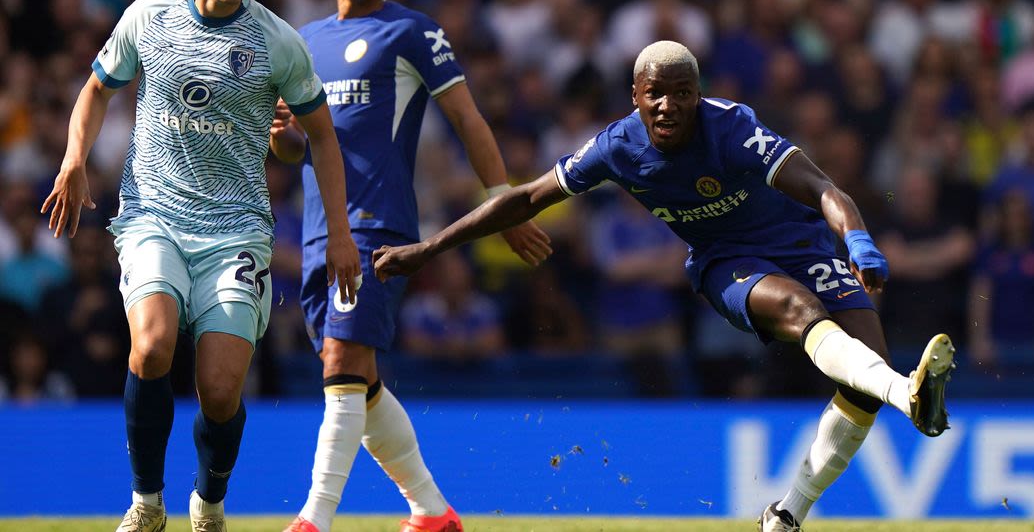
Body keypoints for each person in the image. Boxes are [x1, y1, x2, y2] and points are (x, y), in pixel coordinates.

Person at [373, 40, 956, 532]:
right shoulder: (616, 147)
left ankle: (786, 515)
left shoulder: (732, 128)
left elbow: (823, 186)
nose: (669, 104)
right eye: (656, 92)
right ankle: (908, 395)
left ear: (697, 93)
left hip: (802, 246)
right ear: (636, 95)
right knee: (802, 314)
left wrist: (856, 238)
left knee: (862, 381)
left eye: (682, 92)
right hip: (726, 263)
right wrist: (429, 248)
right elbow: (526, 197)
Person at [39, 0, 361, 530]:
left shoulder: (278, 43)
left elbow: (318, 138)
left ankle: (208, 501)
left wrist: (340, 232)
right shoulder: (148, 18)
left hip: (237, 229)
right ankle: (145, 501)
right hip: (152, 215)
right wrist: (74, 158)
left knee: (219, 391)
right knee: (153, 346)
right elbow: (97, 89)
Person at [268, 0, 548, 532]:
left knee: (342, 360)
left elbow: (469, 120)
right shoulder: (301, 42)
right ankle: (430, 511)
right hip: (318, 229)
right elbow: (292, 151)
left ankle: (313, 520)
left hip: (378, 225)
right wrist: (283, 135)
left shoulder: (413, 33)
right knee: (357, 380)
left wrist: (504, 203)